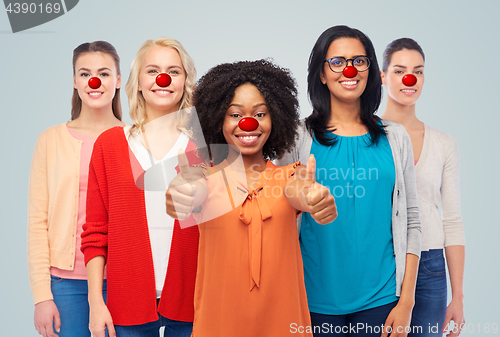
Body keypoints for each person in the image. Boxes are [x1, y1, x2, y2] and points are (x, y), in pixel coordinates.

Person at [166, 59, 337, 337]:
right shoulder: (205, 178)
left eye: (260, 114)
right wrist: (182, 192)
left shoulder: (291, 175)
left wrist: (313, 197)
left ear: (276, 119)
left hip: (283, 324)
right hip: (220, 325)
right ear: (216, 119)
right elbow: (190, 188)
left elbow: (298, 192)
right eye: (235, 115)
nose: (248, 123)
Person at [278, 26, 422, 337]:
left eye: (359, 61)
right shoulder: (296, 138)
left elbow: (412, 221)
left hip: (382, 299)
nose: (349, 70)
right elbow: (280, 211)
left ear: (371, 69)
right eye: (338, 61)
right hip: (312, 300)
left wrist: (407, 301)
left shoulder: (395, 137)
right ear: (321, 73)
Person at [81, 37, 198, 337]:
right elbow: (95, 231)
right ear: (139, 82)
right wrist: (96, 303)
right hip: (126, 307)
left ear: (186, 81)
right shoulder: (109, 145)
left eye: (174, 71)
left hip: (193, 306)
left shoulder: (205, 144)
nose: (163, 79)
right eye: (153, 71)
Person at [28, 41, 123, 337]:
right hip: (65, 284)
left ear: (118, 80)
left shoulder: (134, 138)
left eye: (104, 73)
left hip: (122, 280)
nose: (94, 81)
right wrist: (42, 296)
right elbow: (37, 222)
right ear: (74, 81)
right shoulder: (50, 140)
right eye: (85, 74)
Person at [380, 38, 465, 337]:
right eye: (400, 70)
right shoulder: (369, 136)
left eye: (419, 71)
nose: (410, 78)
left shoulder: (444, 144)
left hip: (430, 266)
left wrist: (458, 296)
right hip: (381, 262)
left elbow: (452, 220)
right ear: (383, 76)